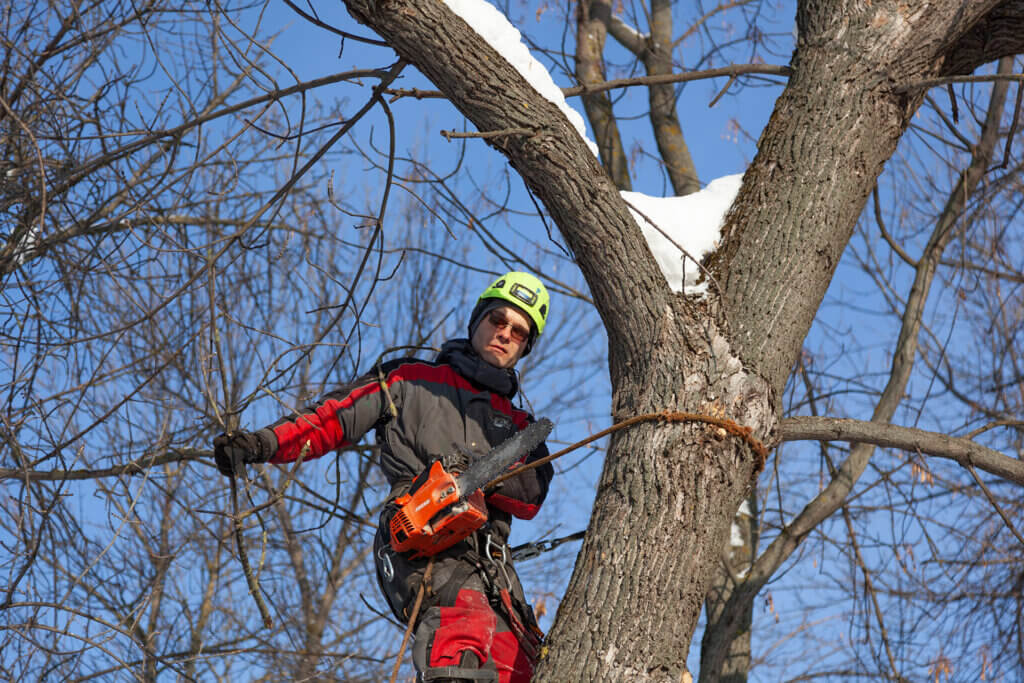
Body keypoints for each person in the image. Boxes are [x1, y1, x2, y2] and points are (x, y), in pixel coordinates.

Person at [214, 272, 555, 683]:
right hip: (421, 537)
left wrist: (483, 474)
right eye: (497, 321)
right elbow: (331, 419)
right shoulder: (409, 380)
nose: (504, 334)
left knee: (523, 663)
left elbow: (532, 496)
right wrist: (259, 444)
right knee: (460, 628)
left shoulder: (522, 426)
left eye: (518, 332)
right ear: (477, 320)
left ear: (525, 347)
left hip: (492, 565)